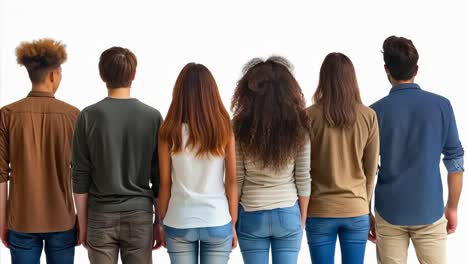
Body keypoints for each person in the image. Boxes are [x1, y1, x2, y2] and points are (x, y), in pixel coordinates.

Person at [369, 36, 464, 264]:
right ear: (417, 69)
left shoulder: (374, 112)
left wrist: (366, 211)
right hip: (429, 209)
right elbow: (455, 161)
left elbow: (366, 168)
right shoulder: (441, 105)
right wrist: (452, 207)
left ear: (386, 70)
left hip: (389, 210)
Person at [71, 47, 163, 264]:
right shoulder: (152, 116)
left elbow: (80, 175)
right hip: (140, 215)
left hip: (100, 216)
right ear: (134, 75)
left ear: (102, 75)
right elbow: (159, 177)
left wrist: (83, 225)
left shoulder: (88, 116)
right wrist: (158, 223)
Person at [0, 39, 79, 263]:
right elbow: (81, 173)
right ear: (53, 74)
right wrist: (81, 218)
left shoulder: (7, 114)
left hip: (21, 219)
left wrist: (2, 221)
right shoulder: (73, 115)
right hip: (63, 220)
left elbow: (0, 175)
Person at [232, 56, 311, 264]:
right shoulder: (299, 127)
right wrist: (300, 221)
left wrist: (233, 222)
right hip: (288, 213)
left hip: (251, 214)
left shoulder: (239, 128)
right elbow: (303, 179)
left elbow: (236, 179)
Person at [158, 63, 237, 264]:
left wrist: (161, 222)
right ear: (212, 93)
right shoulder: (223, 130)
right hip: (217, 218)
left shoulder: (168, 132)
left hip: (179, 219)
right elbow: (231, 181)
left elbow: (165, 183)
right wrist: (233, 224)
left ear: (179, 93)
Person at [305, 52, 379, 264]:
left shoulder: (308, 116)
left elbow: (302, 168)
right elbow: (370, 168)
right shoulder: (368, 116)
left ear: (323, 78)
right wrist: (365, 206)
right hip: (356, 209)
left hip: (319, 209)